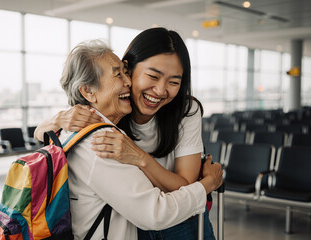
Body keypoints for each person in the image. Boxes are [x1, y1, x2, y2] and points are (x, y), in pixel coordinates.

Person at [35, 29, 220, 240]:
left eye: (174, 82)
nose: (160, 91)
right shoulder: (106, 120)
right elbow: (154, 213)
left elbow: (182, 187)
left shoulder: (182, 110)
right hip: (140, 217)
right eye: (152, 76)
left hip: (176, 215)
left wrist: (141, 158)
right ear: (130, 69)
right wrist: (55, 120)